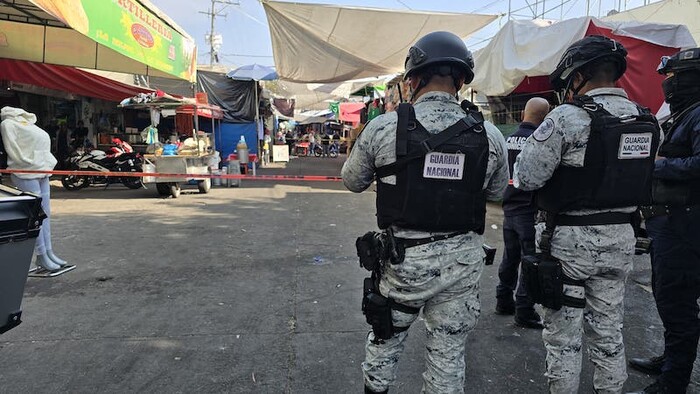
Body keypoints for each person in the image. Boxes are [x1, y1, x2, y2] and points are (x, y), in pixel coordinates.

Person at [342, 31, 509, 394]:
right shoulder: (490, 135)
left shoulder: (383, 127)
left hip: (405, 264)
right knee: (448, 356)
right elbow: (497, 192)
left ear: (413, 78)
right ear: (462, 80)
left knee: (385, 342)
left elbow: (352, 181)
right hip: (462, 264)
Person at [513, 36, 661, 393]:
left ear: (577, 76)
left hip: (569, 245)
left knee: (564, 339)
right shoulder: (645, 119)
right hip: (622, 240)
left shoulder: (567, 117)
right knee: (609, 332)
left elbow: (527, 176)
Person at [627, 48, 700, 394]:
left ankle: (673, 381)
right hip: (667, 225)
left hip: (684, 226)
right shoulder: (684, 114)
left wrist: (654, 165)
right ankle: (671, 359)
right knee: (667, 298)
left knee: (678, 303)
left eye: (671, 77)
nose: (667, 85)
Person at [495, 97, 550, 328]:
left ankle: (503, 300)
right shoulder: (539, 142)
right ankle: (524, 310)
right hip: (529, 211)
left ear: (522, 115)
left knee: (510, 256)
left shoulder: (507, 139)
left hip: (509, 209)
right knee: (530, 260)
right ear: (545, 119)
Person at [1, 107, 71, 272]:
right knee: (36, 216)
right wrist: (25, 162)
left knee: (45, 214)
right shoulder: (8, 123)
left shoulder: (27, 121)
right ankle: (41, 255)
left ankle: (49, 252)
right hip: (26, 171)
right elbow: (13, 148)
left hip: (41, 169)